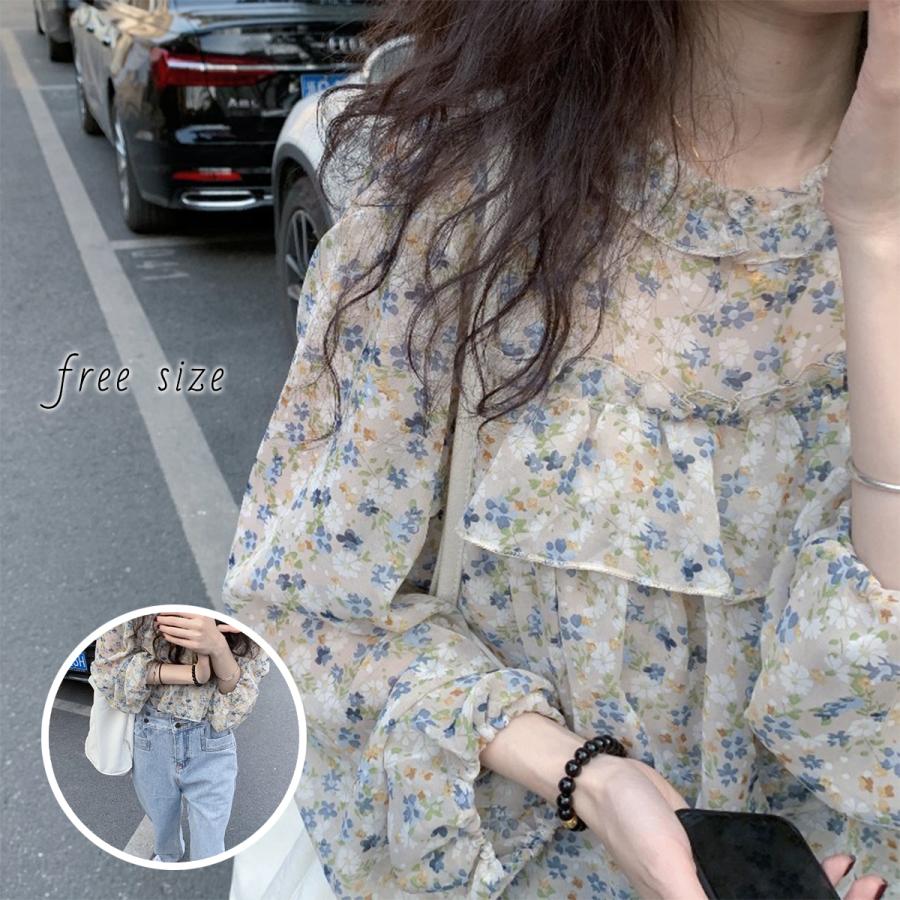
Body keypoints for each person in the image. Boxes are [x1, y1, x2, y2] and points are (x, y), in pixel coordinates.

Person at [223, 0, 899, 897]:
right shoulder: (462, 205)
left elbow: (874, 744)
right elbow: (307, 619)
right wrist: (586, 776)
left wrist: (876, 236)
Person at [90, 612, 270, 862]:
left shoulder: (243, 608)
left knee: (210, 848)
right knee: (162, 827)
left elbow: (230, 714)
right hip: (151, 739)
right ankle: (169, 856)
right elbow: (109, 674)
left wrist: (218, 647)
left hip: (211, 741)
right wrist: (193, 673)